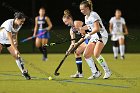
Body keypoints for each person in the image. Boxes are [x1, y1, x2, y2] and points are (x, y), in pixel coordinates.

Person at [62, 9, 100, 78]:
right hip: (87, 39)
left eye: (65, 21)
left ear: (70, 19)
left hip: (93, 37)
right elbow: (72, 43)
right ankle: (80, 73)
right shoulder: (71, 30)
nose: (65, 23)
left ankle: (97, 71)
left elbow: (85, 36)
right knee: (77, 52)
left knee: (86, 54)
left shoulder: (77, 23)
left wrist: (78, 43)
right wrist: (68, 51)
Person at [79, 0, 111, 79]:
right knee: (86, 55)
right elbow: (89, 26)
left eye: (82, 9)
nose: (81, 11)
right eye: (80, 9)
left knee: (96, 54)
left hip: (101, 35)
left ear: (87, 8)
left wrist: (89, 34)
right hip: (94, 36)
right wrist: (81, 28)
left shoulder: (93, 15)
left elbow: (97, 28)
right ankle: (95, 73)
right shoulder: (86, 17)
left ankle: (107, 71)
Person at [0, 12, 31, 80]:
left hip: (8, 40)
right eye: (21, 21)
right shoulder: (8, 23)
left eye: (23, 21)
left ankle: (23, 71)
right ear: (17, 19)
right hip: (1, 38)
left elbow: (15, 33)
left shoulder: (19, 25)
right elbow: (10, 38)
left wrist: (16, 41)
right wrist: (15, 49)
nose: (22, 23)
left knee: (17, 56)